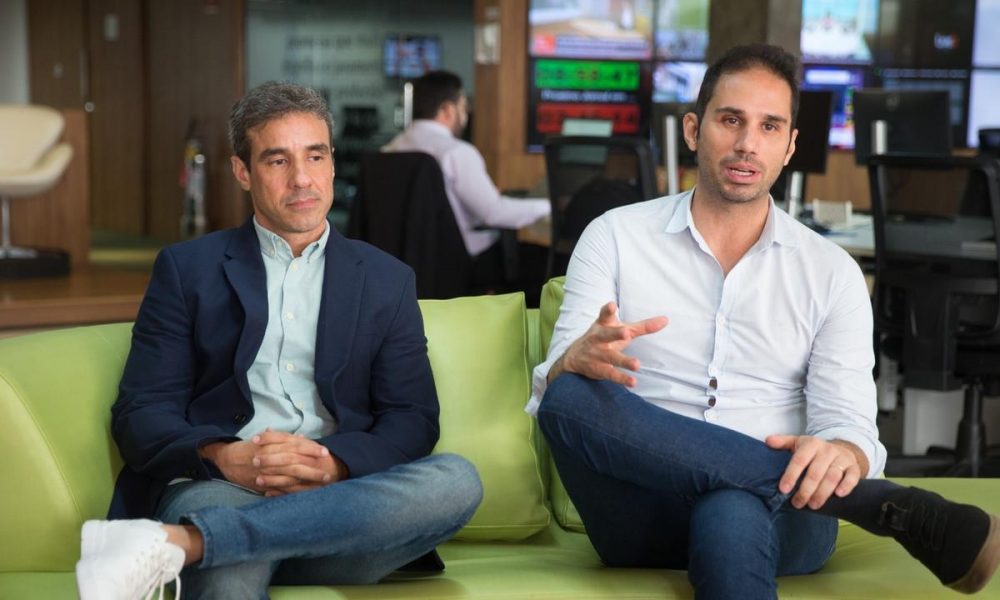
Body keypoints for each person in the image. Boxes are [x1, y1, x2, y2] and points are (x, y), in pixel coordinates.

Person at [528, 44, 1000, 598]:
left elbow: (850, 425)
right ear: (693, 130)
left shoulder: (832, 272)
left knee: (731, 506)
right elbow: (557, 404)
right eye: (731, 120)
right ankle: (884, 507)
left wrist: (843, 452)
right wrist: (572, 361)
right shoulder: (614, 236)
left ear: (789, 145)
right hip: (638, 510)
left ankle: (825, 495)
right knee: (568, 394)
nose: (748, 143)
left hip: (789, 515)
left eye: (769, 126)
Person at [75, 82, 483, 600]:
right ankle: (224, 540)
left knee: (457, 480)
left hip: (342, 502)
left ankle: (189, 545)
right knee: (230, 575)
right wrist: (225, 456)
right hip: (223, 491)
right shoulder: (188, 270)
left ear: (332, 163)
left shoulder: (387, 279)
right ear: (242, 172)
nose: (302, 179)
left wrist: (330, 463)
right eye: (277, 161)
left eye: (315, 156)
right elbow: (141, 414)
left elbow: (412, 419)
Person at [384, 70, 550, 287]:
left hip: (400, 264)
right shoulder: (456, 152)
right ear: (447, 109)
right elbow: (493, 213)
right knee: (549, 263)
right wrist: (549, 206)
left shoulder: (388, 151)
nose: (466, 114)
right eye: (463, 106)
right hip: (461, 264)